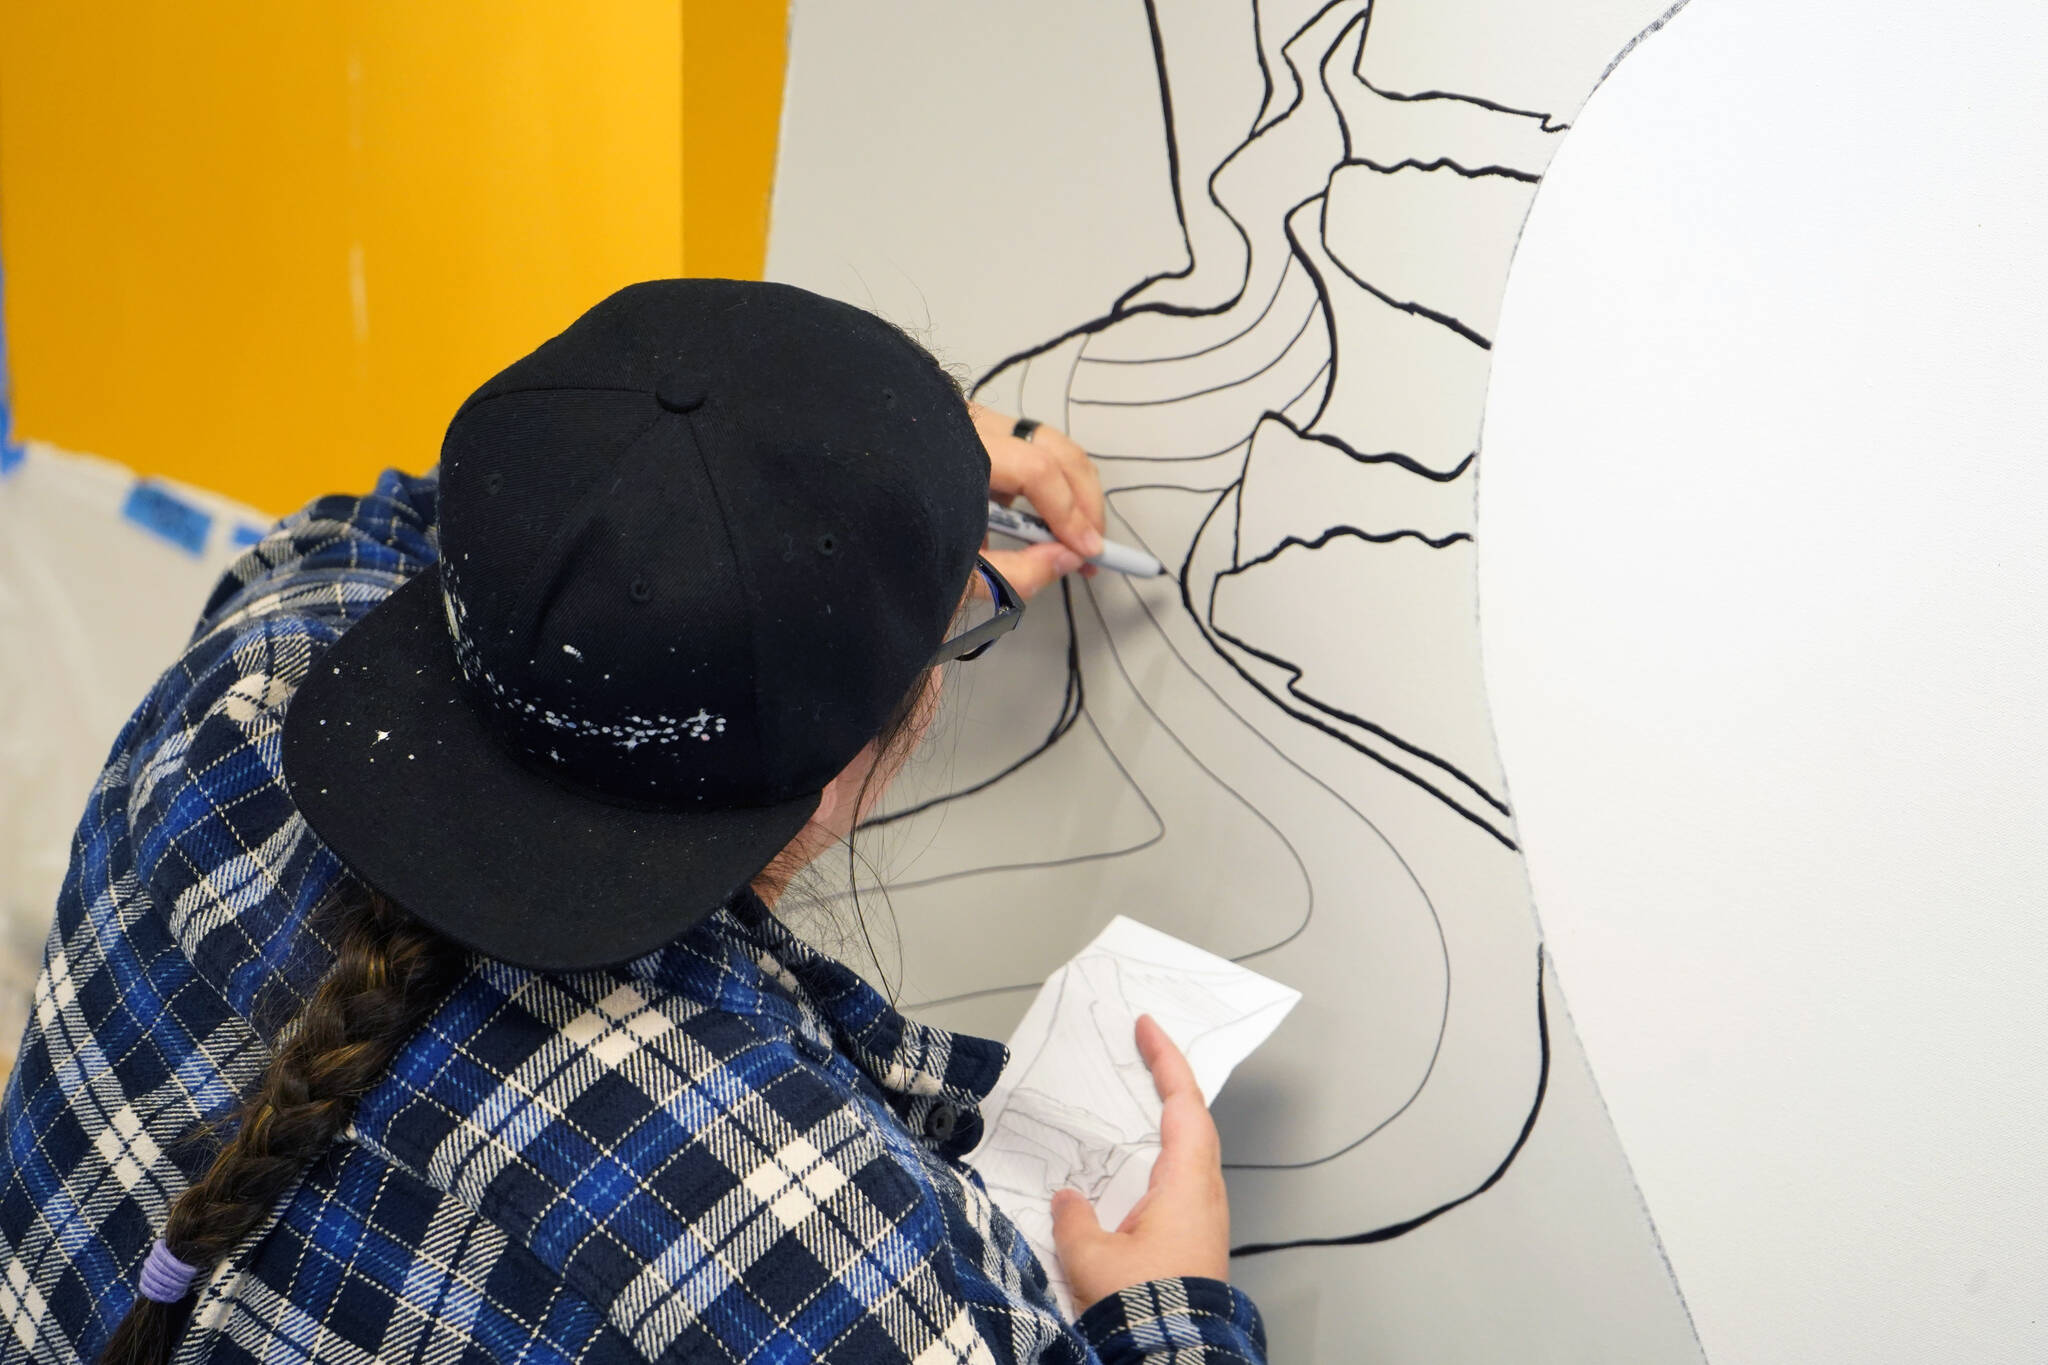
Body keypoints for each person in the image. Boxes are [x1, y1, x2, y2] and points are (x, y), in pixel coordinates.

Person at [0, 280, 1268, 1364]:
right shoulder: (823, 1251)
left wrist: (780, 480)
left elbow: (401, 523)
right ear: (859, 754)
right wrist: (1170, 1315)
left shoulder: (250, 685)